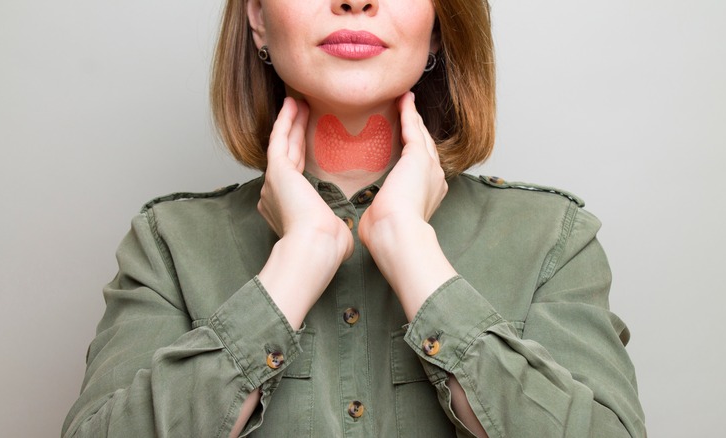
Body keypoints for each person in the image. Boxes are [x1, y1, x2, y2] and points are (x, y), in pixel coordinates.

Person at [63, 0, 646, 436]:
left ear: (439, 23)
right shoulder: (168, 243)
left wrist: (410, 251)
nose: (354, 0)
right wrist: (295, 265)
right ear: (258, 18)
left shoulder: (552, 238)